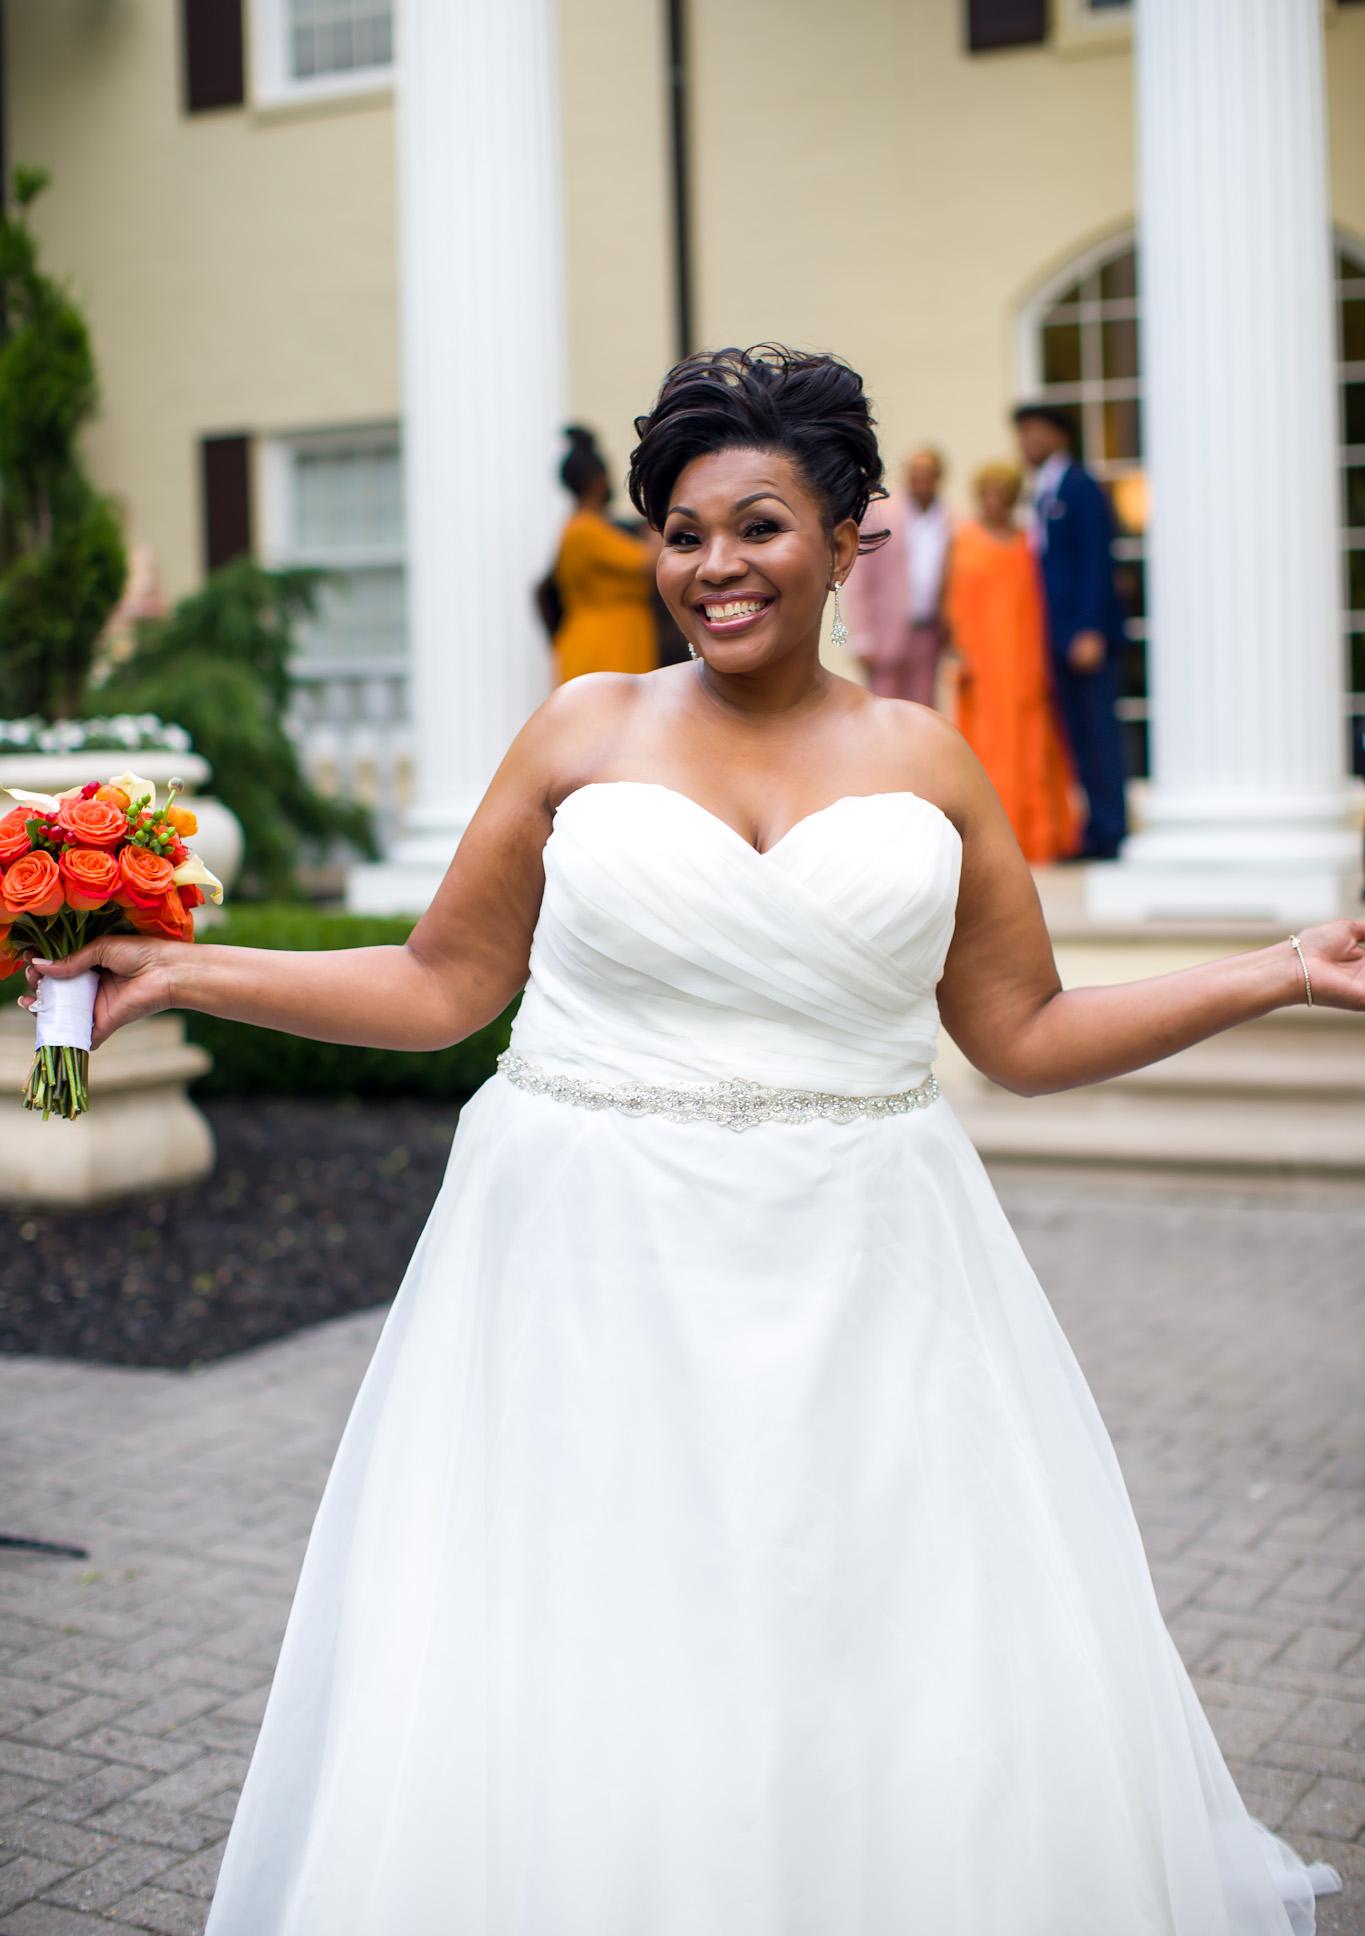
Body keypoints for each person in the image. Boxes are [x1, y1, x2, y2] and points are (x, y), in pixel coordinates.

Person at [21, 344, 1355, 1936]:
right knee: (597, 1645)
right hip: (588, 1255)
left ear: (850, 534)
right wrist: (182, 967)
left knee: (860, 1637)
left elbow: (1023, 1036)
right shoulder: (583, 728)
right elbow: (442, 984)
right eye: (680, 530)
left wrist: (1279, 971)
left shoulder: (929, 762)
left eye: (759, 524)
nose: (712, 565)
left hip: (868, 1265)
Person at [943, 461, 1080, 863]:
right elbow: (950, 600)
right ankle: (993, 841)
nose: (994, 503)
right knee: (988, 743)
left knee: (1031, 743)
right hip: (983, 660)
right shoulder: (964, 540)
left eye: (1002, 496)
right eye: (988, 494)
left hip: (1023, 654)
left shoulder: (1027, 542)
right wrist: (959, 650)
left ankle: (1037, 836)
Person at [1012, 401, 1129, 860]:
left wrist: (1089, 629)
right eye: (1022, 434)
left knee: (1099, 733)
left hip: (1084, 636)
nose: (1026, 443)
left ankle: (1110, 830)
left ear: (1059, 436)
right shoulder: (1042, 489)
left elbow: (1097, 561)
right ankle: (1094, 828)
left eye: (1034, 432)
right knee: (1077, 736)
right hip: (1054, 637)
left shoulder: (1080, 487)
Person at [550, 424, 661, 682]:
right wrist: (657, 520)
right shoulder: (585, 530)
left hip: (619, 634)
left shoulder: (592, 527)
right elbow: (647, 561)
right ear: (597, 481)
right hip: (604, 642)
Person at [844, 443, 952, 705]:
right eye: (915, 472)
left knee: (924, 707)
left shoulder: (951, 519)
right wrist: (862, 637)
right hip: (886, 633)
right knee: (883, 707)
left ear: (938, 477)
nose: (921, 479)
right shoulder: (882, 514)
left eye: (927, 473)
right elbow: (861, 579)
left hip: (929, 633)